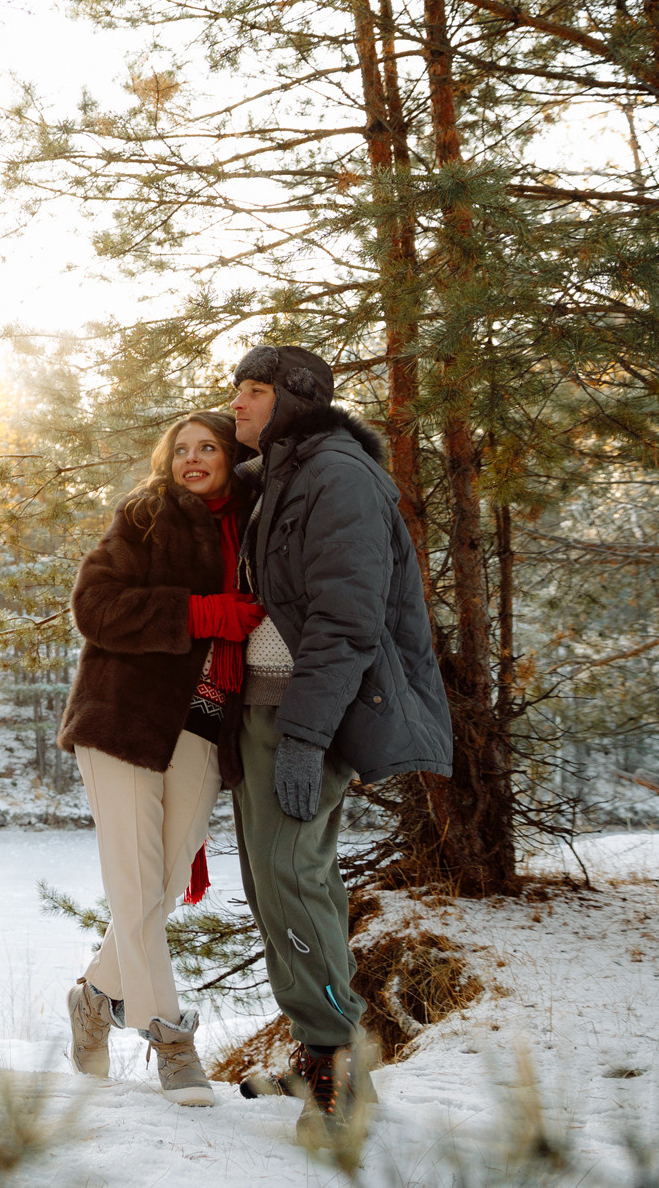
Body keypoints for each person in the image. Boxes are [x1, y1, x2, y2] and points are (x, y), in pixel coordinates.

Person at [224, 345, 453, 1145]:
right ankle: (323, 1050)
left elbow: (348, 618)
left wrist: (303, 735)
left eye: (252, 392)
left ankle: (339, 1077)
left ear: (294, 399)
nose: (237, 406)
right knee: (279, 886)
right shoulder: (287, 473)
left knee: (292, 877)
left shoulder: (340, 476)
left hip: (300, 715)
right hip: (264, 709)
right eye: (237, 391)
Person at [57, 411, 263, 1105]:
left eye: (209, 447)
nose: (194, 458)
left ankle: (93, 998)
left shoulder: (255, 524)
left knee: (162, 884)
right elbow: (93, 604)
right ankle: (171, 1041)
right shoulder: (145, 514)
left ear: (232, 458)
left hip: (206, 727)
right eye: (182, 449)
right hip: (123, 721)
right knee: (138, 885)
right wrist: (200, 614)